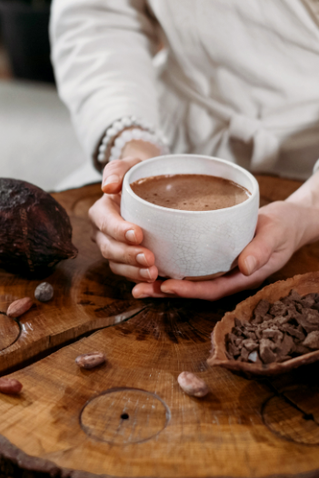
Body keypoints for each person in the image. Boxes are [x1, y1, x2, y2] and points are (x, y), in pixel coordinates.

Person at [50, 0, 319, 300]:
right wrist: (134, 146)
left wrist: (308, 209)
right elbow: (99, 17)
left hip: (307, 165)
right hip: (164, 128)